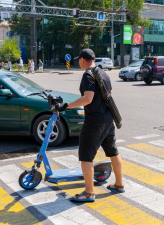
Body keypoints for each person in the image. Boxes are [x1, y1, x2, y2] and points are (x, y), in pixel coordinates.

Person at [53, 49, 124, 202]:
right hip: (108, 119)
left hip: (95, 122)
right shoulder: (103, 73)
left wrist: (66, 106)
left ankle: (89, 193)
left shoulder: (87, 75)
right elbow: (109, 95)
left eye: (79, 60)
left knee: (86, 156)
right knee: (113, 152)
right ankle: (119, 184)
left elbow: (87, 98)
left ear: (83, 60)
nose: (79, 62)